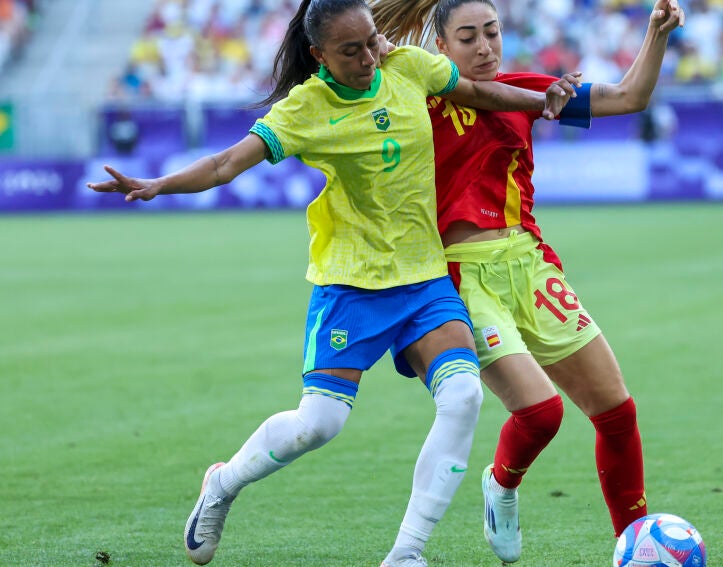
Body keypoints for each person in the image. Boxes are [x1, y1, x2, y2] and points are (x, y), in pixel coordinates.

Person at [87, 1, 575, 566]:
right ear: (319, 55)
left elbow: (482, 93)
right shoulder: (304, 109)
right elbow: (224, 166)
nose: (370, 56)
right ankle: (222, 483)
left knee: (462, 396)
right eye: (352, 50)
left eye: (371, 41)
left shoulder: (409, 66)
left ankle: (407, 553)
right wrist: (157, 185)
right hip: (352, 286)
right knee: (319, 424)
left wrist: (547, 103)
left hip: (423, 280)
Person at [370, 0, 684, 563]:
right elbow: (360, 57)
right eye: (467, 37)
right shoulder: (414, 92)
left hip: (530, 263)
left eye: (492, 32)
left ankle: (634, 547)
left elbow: (631, 97)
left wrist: (656, 33)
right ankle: (502, 484)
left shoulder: (525, 90)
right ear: (439, 47)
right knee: (541, 413)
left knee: (617, 413)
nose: (485, 46)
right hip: (461, 276)